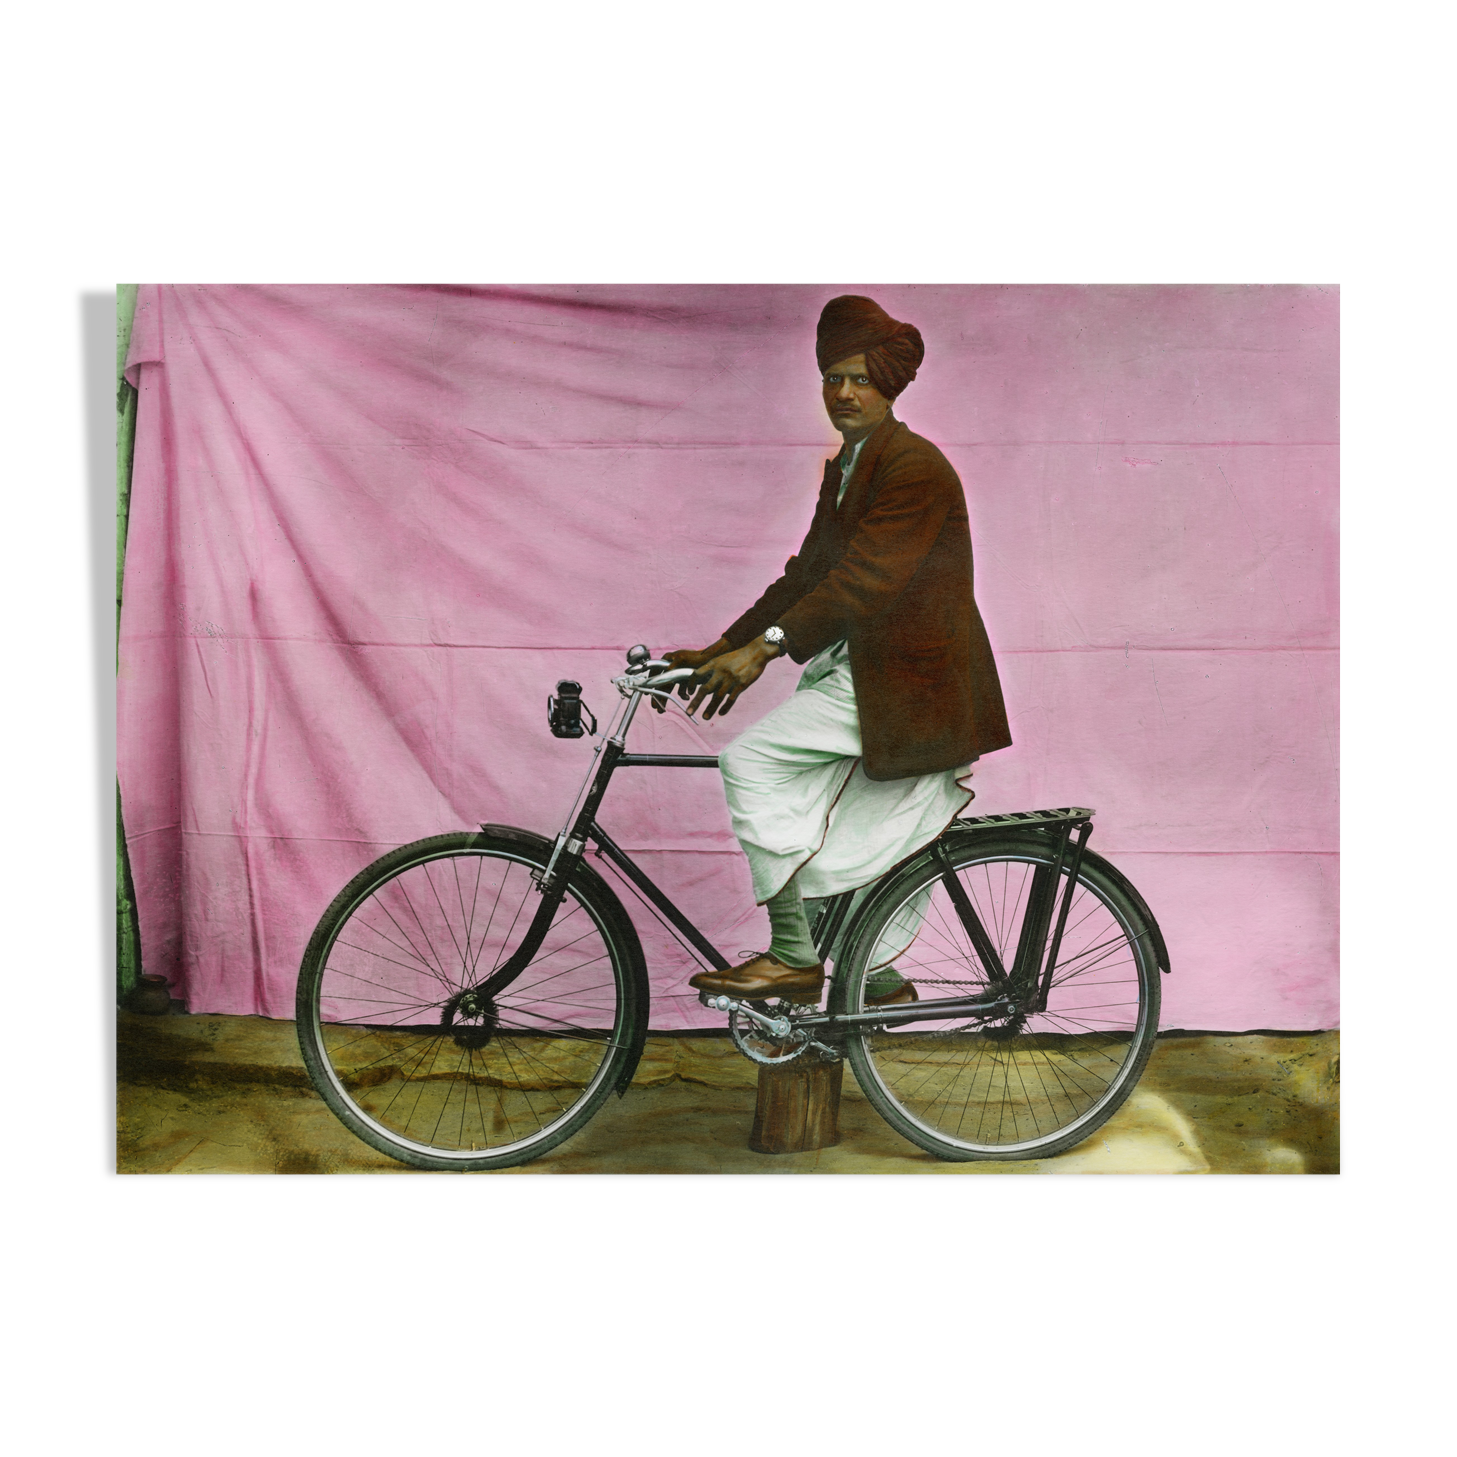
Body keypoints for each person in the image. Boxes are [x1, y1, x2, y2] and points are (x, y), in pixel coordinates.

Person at [658, 295, 1012, 1006]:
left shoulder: (913, 468)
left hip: (910, 686)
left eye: (859, 378)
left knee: (751, 760)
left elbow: (863, 579)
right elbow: (808, 573)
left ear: (889, 382)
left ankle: (793, 956)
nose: (844, 393)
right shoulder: (852, 463)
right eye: (831, 379)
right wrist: (721, 647)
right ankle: (870, 976)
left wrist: (764, 651)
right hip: (865, 674)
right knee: (819, 821)